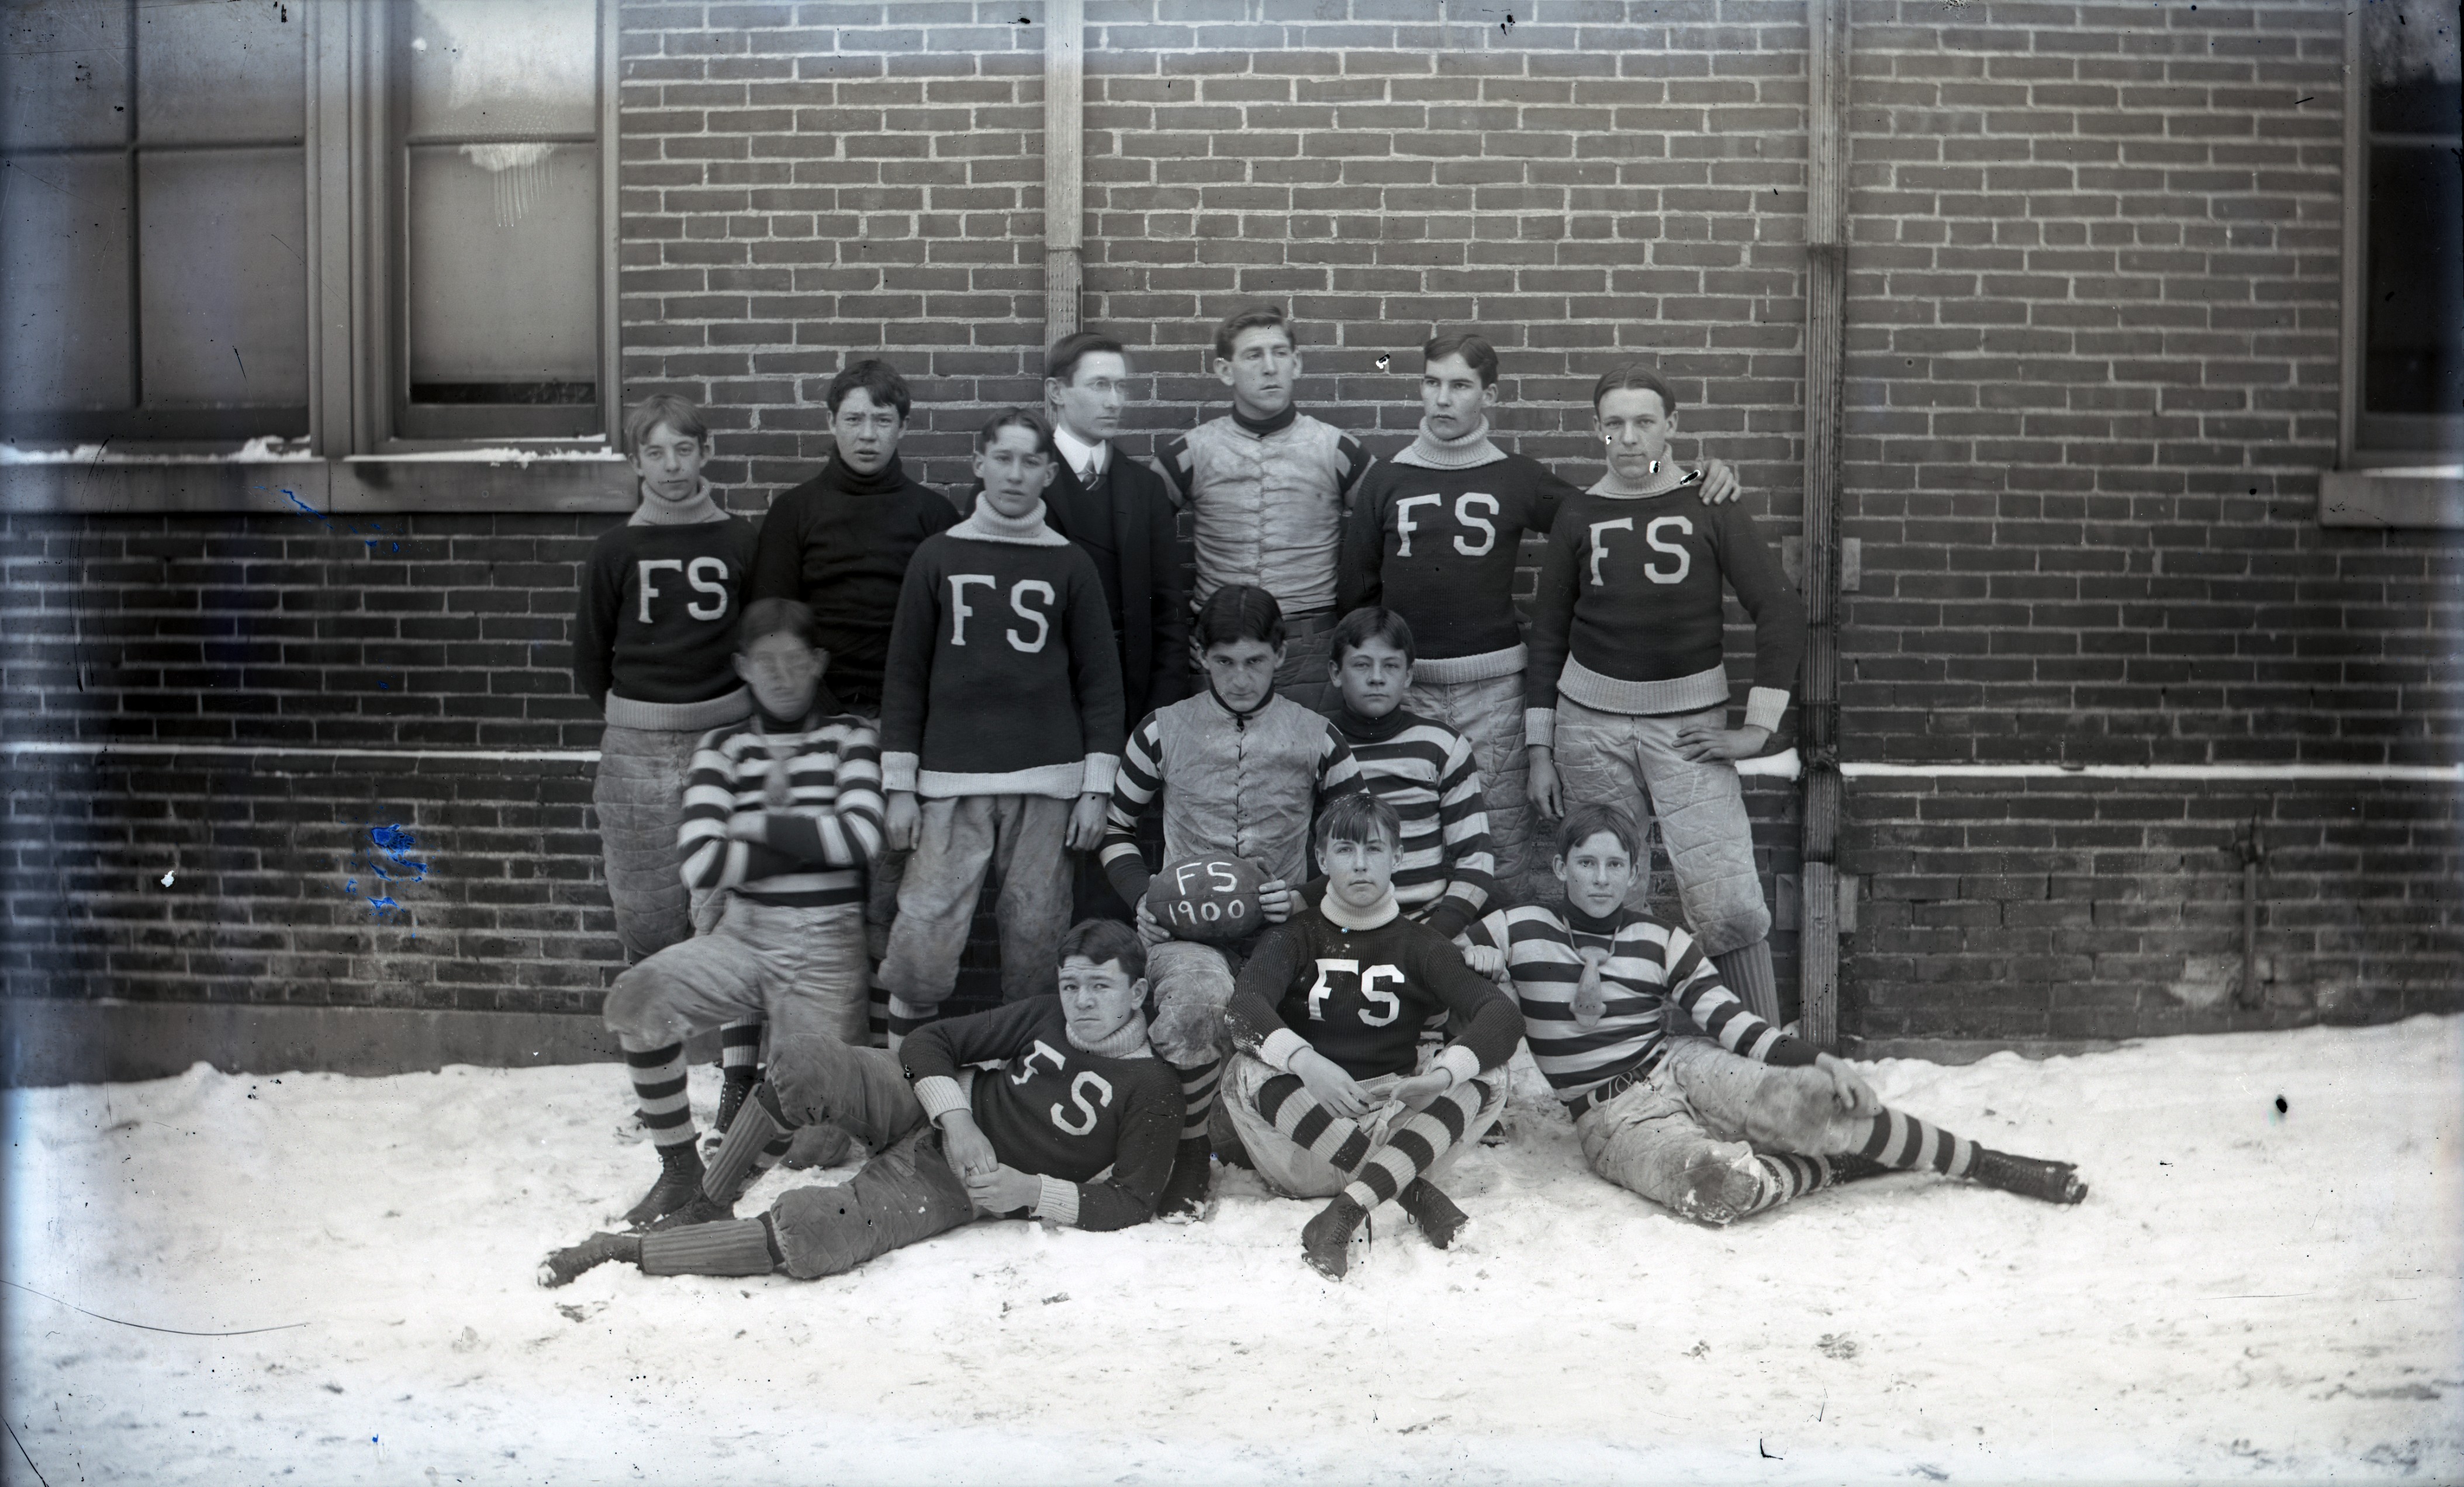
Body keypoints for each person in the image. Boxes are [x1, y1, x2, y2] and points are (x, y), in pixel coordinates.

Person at [1464, 804, 2088, 1226]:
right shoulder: (1519, 926)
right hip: (1611, 1113)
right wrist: (1475, 960)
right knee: (1720, 1186)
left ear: (1633, 872)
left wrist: (1822, 1059)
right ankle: (1835, 1164)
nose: (1600, 878)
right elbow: (1446, 963)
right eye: (1586, 863)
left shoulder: (1661, 938)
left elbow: (1733, 1023)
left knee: (1819, 1100)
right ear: (1560, 866)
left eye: (1614, 865)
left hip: (1678, 1068)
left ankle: (1986, 1162)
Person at [541, 920, 1182, 1288]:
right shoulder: (1046, 1014)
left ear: (1138, 992)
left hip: (961, 1180)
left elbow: (1133, 1198)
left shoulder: (1152, 1085)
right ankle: (709, 1198)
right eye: (1072, 984)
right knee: (805, 1061)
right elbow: (933, 1040)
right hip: (938, 1109)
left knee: (813, 1233)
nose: (1082, 1001)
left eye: (1101, 986)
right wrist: (955, 1118)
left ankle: (622, 1251)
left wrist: (1028, 1189)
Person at [1338, 333, 1741, 902]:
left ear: (1489, 394)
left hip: (1496, 690)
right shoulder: (1387, 479)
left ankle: (1489, 974)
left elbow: (1608, 512)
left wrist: (1694, 479)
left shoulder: (1516, 476)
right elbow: (1355, 596)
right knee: (1401, 831)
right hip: (1408, 690)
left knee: (1500, 839)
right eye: (1433, 383)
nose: (1444, 399)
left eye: (1460, 385)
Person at [1524, 362, 1805, 1024]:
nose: (1630, 438)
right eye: (1614, 423)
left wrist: (1757, 729)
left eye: (1645, 421)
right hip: (1588, 724)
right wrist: (1539, 748)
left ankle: (1758, 1055)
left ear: (1671, 426)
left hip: (1687, 725)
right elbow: (1546, 635)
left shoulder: (1710, 500)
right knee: (1604, 888)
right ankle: (1623, 1044)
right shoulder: (1579, 511)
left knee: (1727, 896)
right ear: (1597, 430)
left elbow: (1780, 609)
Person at [598, 599, 884, 1226]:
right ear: (742, 668)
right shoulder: (722, 746)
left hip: (828, 946)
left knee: (813, 1141)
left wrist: (752, 824)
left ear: (818, 663)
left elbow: (862, 837)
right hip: (747, 932)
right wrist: (809, 834)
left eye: (795, 661)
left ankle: (715, 1197)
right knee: (637, 1000)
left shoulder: (851, 737)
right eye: (765, 662)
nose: (781, 676)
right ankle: (682, 1176)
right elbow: (700, 860)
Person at [1097, 584, 1364, 1217]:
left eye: (1254, 661)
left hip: (1280, 926)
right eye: (1224, 662)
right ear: (1201, 655)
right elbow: (1114, 833)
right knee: (1196, 1003)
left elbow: (1357, 844)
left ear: (1280, 654)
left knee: (1308, 1015)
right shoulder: (1162, 729)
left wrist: (1301, 896)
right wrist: (1145, 897)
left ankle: (1253, 1136)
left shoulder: (1317, 735)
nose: (1240, 678)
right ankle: (1186, 1150)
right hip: (1185, 931)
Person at [875, 410, 1128, 1050]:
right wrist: (899, 785)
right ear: (979, 462)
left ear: (1049, 471)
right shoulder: (938, 555)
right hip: (949, 778)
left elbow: (1101, 683)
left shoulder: (1069, 564)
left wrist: (1097, 788)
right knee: (924, 935)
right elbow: (904, 676)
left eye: (1030, 461)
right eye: (1003, 458)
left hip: (1048, 782)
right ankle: (904, 1075)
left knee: (1037, 938)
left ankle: (1027, 1081)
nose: (1016, 473)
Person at [1219, 792, 1523, 1278]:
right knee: (1245, 1066)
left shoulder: (1422, 944)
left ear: (1397, 856)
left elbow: (1502, 1016)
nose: (1360, 865)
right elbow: (1243, 1008)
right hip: (1309, 1133)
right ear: (1321, 859)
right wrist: (1307, 1063)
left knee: (1491, 1069)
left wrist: (1440, 1077)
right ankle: (1415, 1194)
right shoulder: (1292, 935)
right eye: (1344, 850)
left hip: (1395, 1125)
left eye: (1374, 850)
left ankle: (1346, 1210)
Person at [572, 394, 758, 960]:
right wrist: (641, 712)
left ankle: (735, 1053)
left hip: (726, 738)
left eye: (683, 450)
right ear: (636, 464)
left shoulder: (742, 541)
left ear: (707, 453)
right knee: (647, 911)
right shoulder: (615, 550)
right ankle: (661, 1051)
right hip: (637, 748)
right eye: (656, 453)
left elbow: (758, 640)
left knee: (731, 907)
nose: (672, 466)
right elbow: (590, 656)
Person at [1157, 305, 1375, 712]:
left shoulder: (1336, 449)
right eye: (1254, 355)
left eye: (1280, 353)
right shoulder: (1190, 452)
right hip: (1219, 639)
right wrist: (1174, 630)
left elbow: (1386, 537)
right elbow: (1140, 543)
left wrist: (1358, 631)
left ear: (1297, 363)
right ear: (1226, 370)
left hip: (1310, 641)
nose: (1270, 367)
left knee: (1309, 762)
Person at [1042, 332, 1191, 922]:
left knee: (1117, 862)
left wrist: (1156, 719)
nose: (1114, 399)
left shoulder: (1142, 487)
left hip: (1130, 714)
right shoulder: (1024, 478)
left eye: (1120, 385)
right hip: (1049, 715)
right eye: (1098, 384)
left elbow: (1169, 612)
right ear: (1058, 393)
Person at [748, 360, 958, 714]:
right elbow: (772, 625)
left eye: (883, 420)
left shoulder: (935, 516)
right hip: (813, 707)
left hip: (907, 708)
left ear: (903, 426)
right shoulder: (793, 512)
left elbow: (949, 631)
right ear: (832, 422)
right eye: (853, 419)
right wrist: (823, 712)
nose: (868, 435)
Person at [1321, 606, 1494, 941]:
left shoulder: (1441, 745)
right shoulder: (1319, 744)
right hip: (1341, 924)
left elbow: (1477, 859)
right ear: (1336, 672)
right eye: (1361, 664)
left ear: (1409, 675)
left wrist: (1436, 937)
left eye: (1391, 666)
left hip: (1428, 923)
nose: (1376, 677)